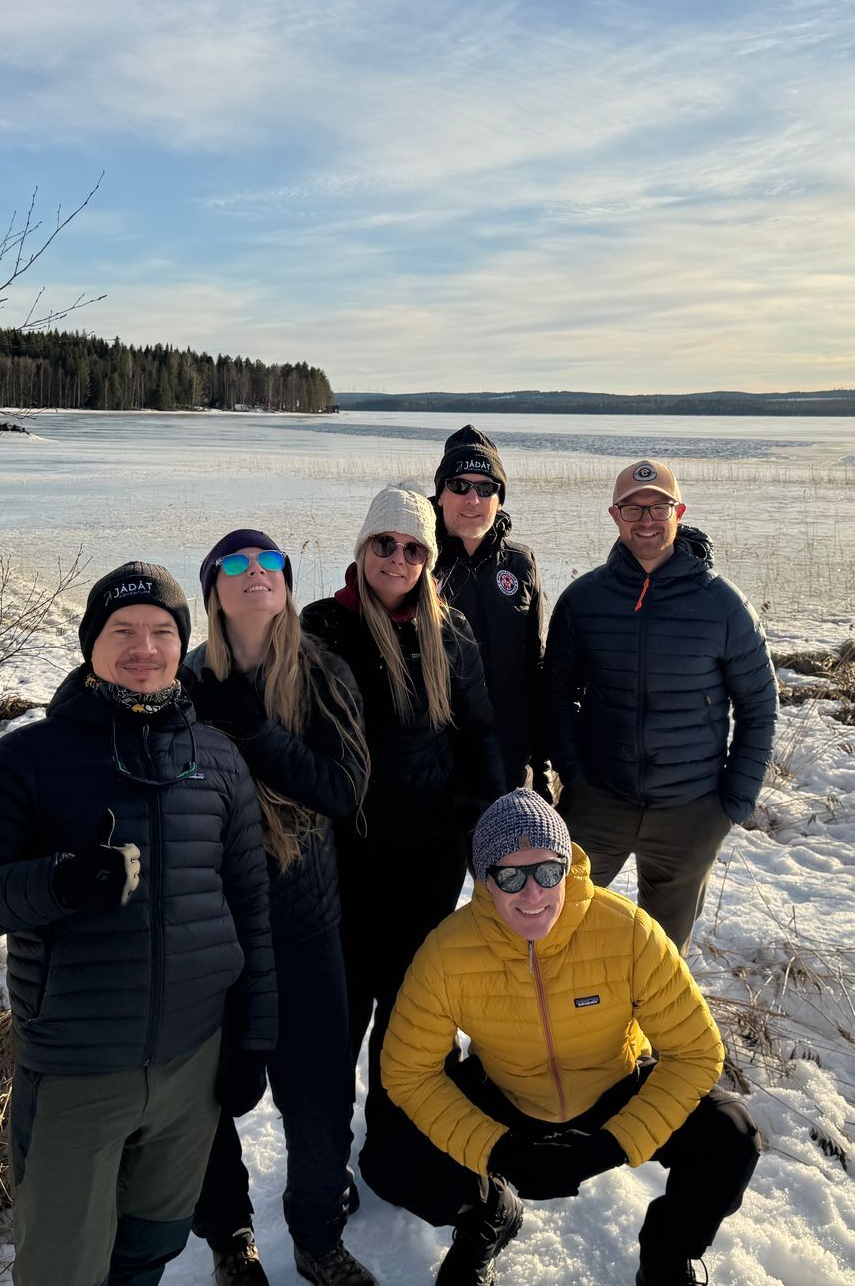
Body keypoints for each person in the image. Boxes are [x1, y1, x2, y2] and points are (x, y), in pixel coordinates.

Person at [0, 561, 276, 1286]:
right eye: (123, 631)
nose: (143, 648)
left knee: (151, 1245)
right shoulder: (30, 758)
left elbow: (250, 909)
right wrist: (56, 881)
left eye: (161, 631)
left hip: (192, 1067)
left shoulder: (216, 760)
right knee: (65, 1267)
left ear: (183, 645)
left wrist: (252, 1039)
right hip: (78, 1070)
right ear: (91, 643)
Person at [371, 789, 762, 1286]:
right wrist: (497, 1150)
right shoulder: (447, 952)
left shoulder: (628, 932)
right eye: (511, 876)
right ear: (486, 882)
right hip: (508, 1094)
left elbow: (697, 1052)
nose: (532, 894)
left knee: (731, 1134)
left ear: (568, 866)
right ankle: (487, 1212)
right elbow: (409, 1072)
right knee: (389, 1158)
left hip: (613, 1089)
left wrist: (612, 1145)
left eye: (547, 872)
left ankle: (666, 1254)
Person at [180, 530, 379, 1286]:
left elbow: (344, 790)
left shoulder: (323, 673)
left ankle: (319, 1236)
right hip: (215, 925)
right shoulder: (187, 680)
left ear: (288, 586)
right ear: (213, 593)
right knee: (205, 1096)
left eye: (270, 564)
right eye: (236, 564)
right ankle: (231, 1239)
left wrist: (257, 734)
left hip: (303, 921)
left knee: (320, 1089)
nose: (256, 572)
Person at [300, 487, 505, 1159]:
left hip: (428, 859)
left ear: (427, 557)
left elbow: (479, 738)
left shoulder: (451, 634)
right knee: (338, 1014)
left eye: (413, 546)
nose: (397, 556)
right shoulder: (319, 628)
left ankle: (393, 1138)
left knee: (410, 1008)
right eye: (384, 543)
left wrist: (489, 834)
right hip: (344, 859)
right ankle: (324, 1154)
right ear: (362, 549)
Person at [542, 459, 778, 948]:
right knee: (551, 931)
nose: (646, 519)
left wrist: (733, 803)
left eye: (658, 507)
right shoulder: (584, 601)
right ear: (614, 515)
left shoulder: (723, 606)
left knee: (663, 958)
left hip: (689, 813)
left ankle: (641, 1027)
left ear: (679, 512)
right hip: (599, 805)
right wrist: (576, 774)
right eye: (632, 508)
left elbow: (759, 705)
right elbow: (556, 694)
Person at [430, 425, 548, 793]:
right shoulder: (415, 561)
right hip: (439, 763)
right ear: (439, 495)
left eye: (486, 488)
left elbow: (536, 667)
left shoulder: (520, 563)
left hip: (509, 760)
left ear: (499, 499)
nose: (473, 499)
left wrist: (540, 770)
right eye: (459, 485)